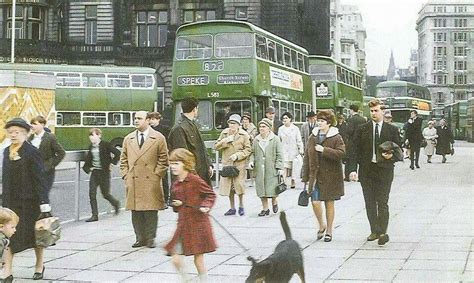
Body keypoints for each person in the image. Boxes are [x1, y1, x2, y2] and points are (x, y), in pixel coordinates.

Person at [2, 118, 52, 281]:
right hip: (10, 202)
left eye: (17, 132)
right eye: (10, 132)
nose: (13, 135)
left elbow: (40, 179)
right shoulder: (6, 152)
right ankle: (7, 271)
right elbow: (5, 177)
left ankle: (39, 265)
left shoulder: (32, 152)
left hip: (30, 202)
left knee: (36, 235)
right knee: (7, 236)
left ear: (24, 134)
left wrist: (44, 203)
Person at [349, 99, 401, 246]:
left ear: (383, 112)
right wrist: (353, 169)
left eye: (376, 110)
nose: (374, 113)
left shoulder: (392, 130)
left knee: (383, 202)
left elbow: (399, 149)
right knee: (370, 202)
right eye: (371, 111)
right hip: (367, 170)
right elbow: (354, 150)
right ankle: (374, 230)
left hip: (384, 170)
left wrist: (392, 156)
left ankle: (383, 232)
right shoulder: (362, 129)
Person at [165, 148, 217, 283]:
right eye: (171, 163)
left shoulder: (195, 180)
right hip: (183, 226)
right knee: (175, 258)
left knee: (198, 259)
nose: (173, 167)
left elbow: (210, 194)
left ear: (186, 164)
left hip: (198, 225)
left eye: (177, 163)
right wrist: (176, 205)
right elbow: (177, 208)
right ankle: (186, 280)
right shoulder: (176, 184)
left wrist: (206, 205)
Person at [120, 111, 169, 249]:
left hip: (150, 180)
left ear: (148, 120)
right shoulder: (128, 139)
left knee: (150, 211)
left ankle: (150, 238)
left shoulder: (158, 138)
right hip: (133, 180)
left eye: (139, 118)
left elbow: (164, 159)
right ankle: (139, 238)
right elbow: (123, 159)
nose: (136, 121)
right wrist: (126, 175)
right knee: (136, 212)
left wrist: (156, 175)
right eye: (135, 118)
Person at [302, 110, 345, 242]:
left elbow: (341, 153)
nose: (319, 123)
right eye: (318, 120)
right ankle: (322, 225)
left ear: (329, 123)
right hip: (315, 176)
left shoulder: (336, 137)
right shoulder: (313, 136)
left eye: (322, 121)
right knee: (315, 202)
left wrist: (324, 150)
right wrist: (305, 176)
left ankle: (329, 231)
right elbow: (307, 156)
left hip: (331, 176)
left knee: (329, 203)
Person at [168, 97, 213, 185]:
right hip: (190, 178)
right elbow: (182, 156)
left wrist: (209, 164)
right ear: (194, 109)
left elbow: (202, 147)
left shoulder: (192, 125)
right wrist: (194, 176)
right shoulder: (179, 128)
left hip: (199, 173)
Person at [215, 114, 252, 216]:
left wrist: (238, 155)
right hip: (227, 163)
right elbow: (216, 146)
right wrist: (225, 141)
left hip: (239, 164)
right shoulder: (224, 133)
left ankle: (241, 205)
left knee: (239, 185)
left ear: (238, 125)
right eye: (230, 123)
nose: (232, 126)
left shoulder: (244, 135)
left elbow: (248, 150)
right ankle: (232, 207)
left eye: (234, 124)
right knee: (229, 186)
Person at [82, 128, 121, 222]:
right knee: (92, 193)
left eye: (93, 135)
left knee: (105, 194)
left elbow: (118, 153)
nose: (91, 137)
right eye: (90, 135)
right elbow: (88, 160)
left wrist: (112, 163)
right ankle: (94, 215)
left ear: (99, 135)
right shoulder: (91, 147)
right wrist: (88, 168)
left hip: (104, 173)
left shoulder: (106, 145)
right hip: (95, 173)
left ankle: (116, 204)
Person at [249, 118, 284, 216]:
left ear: (269, 128)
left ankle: (274, 201)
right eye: (260, 126)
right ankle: (265, 208)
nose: (261, 128)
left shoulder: (275, 139)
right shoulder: (256, 140)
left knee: (272, 188)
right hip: (260, 168)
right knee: (261, 190)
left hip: (271, 168)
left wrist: (279, 167)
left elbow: (280, 154)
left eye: (264, 126)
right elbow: (252, 153)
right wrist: (251, 162)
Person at [29, 115, 66, 201]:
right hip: (32, 173)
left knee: (43, 197)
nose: (32, 126)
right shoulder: (30, 138)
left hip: (46, 173)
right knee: (34, 198)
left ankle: (46, 213)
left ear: (42, 125)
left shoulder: (50, 137)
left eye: (34, 124)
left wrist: (50, 165)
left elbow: (61, 153)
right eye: (31, 124)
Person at [148, 112, 171, 207]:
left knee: (163, 178)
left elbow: (169, 141)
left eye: (153, 119)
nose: (151, 121)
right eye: (150, 119)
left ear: (158, 119)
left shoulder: (165, 129)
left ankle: (166, 199)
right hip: (151, 156)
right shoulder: (147, 130)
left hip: (162, 156)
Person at [278, 112, 304, 189]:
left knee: (294, 166)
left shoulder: (295, 129)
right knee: (284, 166)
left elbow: (299, 140)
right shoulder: (280, 129)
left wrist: (301, 149)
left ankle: (293, 181)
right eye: (283, 118)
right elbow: (279, 140)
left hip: (293, 150)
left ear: (290, 119)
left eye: (286, 118)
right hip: (284, 150)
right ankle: (284, 182)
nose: (285, 120)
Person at [345, 104, 366, 181]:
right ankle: (361, 176)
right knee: (361, 160)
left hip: (353, 142)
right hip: (361, 142)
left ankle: (350, 176)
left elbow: (350, 131)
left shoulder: (351, 119)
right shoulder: (363, 119)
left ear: (352, 110)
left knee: (351, 159)